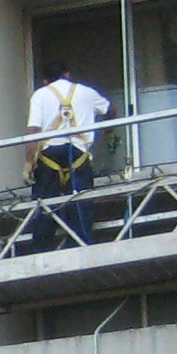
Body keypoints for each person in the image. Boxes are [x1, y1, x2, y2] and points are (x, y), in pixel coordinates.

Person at [23, 65, 111, 250]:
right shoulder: (87, 92)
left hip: (49, 156)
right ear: (68, 74)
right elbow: (110, 109)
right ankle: (81, 243)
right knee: (81, 202)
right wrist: (109, 131)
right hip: (78, 154)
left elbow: (33, 130)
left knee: (45, 204)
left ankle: (42, 248)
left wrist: (29, 162)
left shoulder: (40, 94)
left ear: (45, 80)